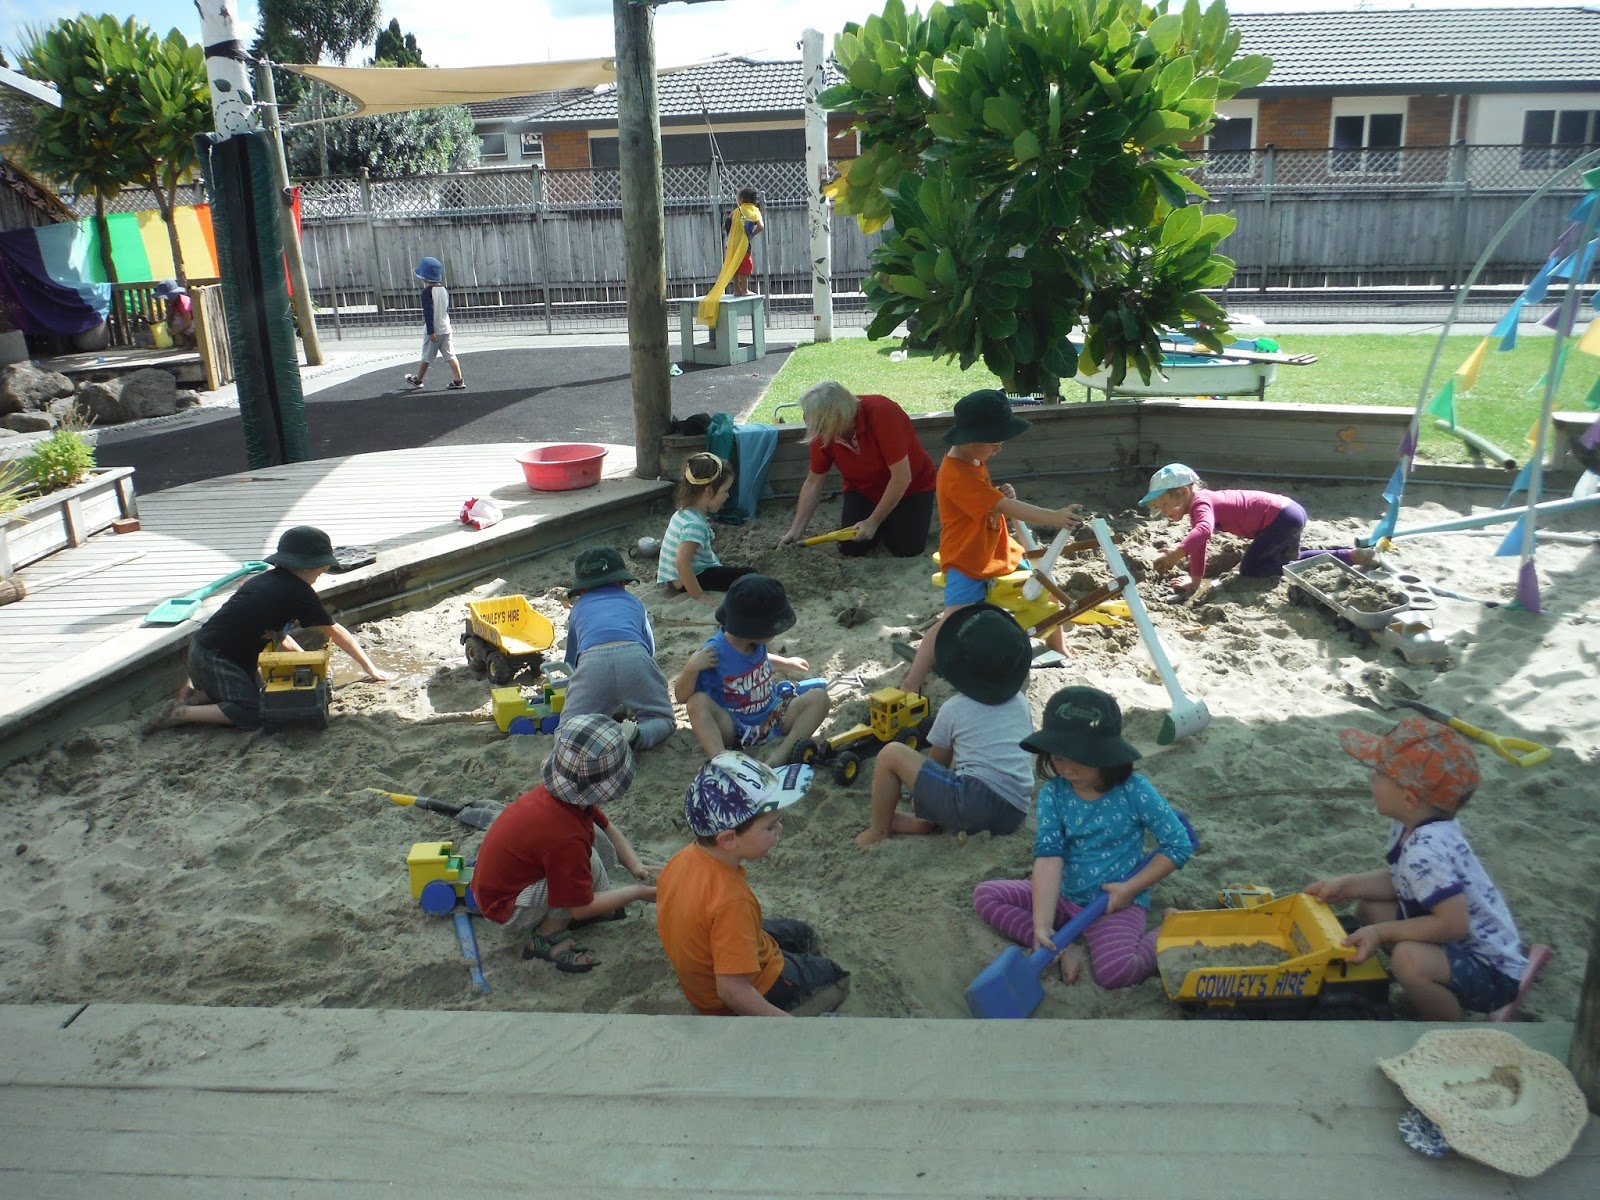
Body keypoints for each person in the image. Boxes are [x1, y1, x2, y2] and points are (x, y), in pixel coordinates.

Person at [1305, 716, 1529, 1020]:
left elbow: (1453, 925)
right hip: (1455, 943)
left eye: (1379, 774)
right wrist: (1347, 885)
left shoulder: (1425, 850)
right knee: (1369, 909)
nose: (1371, 779)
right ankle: (1425, 985)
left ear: (1408, 798)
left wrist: (1382, 933)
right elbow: (1404, 880)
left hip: (1492, 973)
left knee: (1408, 959)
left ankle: (1450, 1031)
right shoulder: (1414, 823)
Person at [973, 687, 1194, 989]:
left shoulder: (1134, 790)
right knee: (987, 896)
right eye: (1059, 758)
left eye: (1081, 759)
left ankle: (1171, 927)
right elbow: (1049, 856)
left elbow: (1178, 845)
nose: (1068, 769)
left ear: (1107, 754)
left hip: (1113, 903)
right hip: (1063, 896)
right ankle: (1063, 947)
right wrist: (1042, 924)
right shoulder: (1055, 793)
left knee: (1117, 972)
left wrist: (1129, 888)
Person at [900, 389, 1083, 698]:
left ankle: (1059, 648)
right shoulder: (958, 475)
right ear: (973, 439)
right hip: (967, 560)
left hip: (995, 551)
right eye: (995, 442)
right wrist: (1053, 517)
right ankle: (912, 680)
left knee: (1043, 589)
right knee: (951, 621)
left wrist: (998, 494)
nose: (999, 449)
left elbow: (989, 500)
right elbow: (1002, 508)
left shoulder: (971, 459)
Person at [143, 526, 393, 733]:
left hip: (207, 652)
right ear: (307, 566)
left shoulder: (268, 581)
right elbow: (335, 632)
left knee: (260, 694)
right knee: (254, 713)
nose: (324, 571)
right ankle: (182, 713)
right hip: (217, 659)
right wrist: (369, 668)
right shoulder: (299, 593)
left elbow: (278, 634)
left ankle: (196, 696)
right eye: (323, 565)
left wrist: (302, 661)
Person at [655, 751, 849, 1016]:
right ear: (728, 839)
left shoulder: (681, 860)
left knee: (802, 934)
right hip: (741, 992)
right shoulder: (732, 902)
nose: (780, 830)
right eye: (770, 826)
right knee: (836, 978)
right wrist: (787, 1026)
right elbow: (731, 991)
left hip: (707, 967)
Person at [471, 714, 657, 975]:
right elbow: (579, 909)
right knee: (570, 883)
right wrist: (639, 892)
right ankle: (545, 937)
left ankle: (596, 903)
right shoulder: (564, 837)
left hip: (522, 875)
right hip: (506, 906)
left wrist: (636, 865)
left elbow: (607, 827)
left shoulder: (565, 798)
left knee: (590, 840)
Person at [855, 603, 1036, 846]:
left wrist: (922, 800)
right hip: (1015, 811)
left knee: (890, 754)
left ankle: (879, 831)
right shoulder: (1021, 703)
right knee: (955, 783)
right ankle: (917, 821)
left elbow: (937, 762)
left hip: (974, 803)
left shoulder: (955, 708)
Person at [1142, 463, 1376, 593]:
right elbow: (1200, 543)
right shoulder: (1201, 503)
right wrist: (1194, 581)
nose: (1164, 512)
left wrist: (1178, 553)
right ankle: (1349, 555)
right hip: (1289, 512)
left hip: (1280, 518)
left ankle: (1320, 562)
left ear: (1183, 492)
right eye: (1158, 508)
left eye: (1165, 505)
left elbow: (1203, 532)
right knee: (1288, 558)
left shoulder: (1202, 502)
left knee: (1252, 567)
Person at [674, 573, 830, 766]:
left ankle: (784, 751)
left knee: (820, 698)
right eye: (772, 628)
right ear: (752, 629)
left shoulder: (754, 642)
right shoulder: (713, 651)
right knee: (696, 703)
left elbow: (760, 662)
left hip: (773, 714)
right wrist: (691, 668)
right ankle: (722, 760)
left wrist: (786, 662)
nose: (776, 632)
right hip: (735, 726)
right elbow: (681, 697)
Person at [777, 380, 937, 558]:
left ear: (837, 417)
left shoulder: (882, 412)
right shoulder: (823, 431)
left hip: (911, 488)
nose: (817, 432)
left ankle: (890, 520)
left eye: (820, 426)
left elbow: (902, 477)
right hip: (864, 490)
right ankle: (887, 520)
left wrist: (873, 521)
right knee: (851, 548)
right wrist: (796, 529)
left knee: (906, 549)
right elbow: (814, 481)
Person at [559, 546, 676, 750]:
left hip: (592, 663)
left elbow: (572, 661)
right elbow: (648, 649)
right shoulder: (634, 602)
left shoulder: (577, 609)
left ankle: (599, 744)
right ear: (622, 582)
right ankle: (638, 736)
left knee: (566, 732)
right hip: (634, 656)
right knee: (662, 718)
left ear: (582, 589)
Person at [657, 452, 756, 606]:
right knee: (749, 574)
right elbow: (682, 563)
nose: (727, 496)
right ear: (709, 491)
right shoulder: (695, 525)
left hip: (677, 578)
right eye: (725, 491)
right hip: (691, 579)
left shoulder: (683, 512)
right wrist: (699, 595)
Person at [404, 256, 466, 391]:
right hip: (446, 328)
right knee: (451, 355)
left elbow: (428, 313)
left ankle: (418, 380)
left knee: (426, 357)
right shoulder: (444, 290)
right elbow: (446, 310)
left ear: (424, 277)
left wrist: (431, 332)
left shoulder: (427, 292)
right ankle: (458, 380)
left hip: (434, 331)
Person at [722, 187, 764, 297]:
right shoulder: (754, 211)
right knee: (745, 266)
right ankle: (745, 290)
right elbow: (761, 226)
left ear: (741, 200)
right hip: (743, 245)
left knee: (734, 266)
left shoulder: (736, 211)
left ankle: (736, 289)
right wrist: (752, 234)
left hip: (731, 245)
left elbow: (725, 226)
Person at [152, 280, 195, 348]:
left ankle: (195, 344)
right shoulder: (174, 302)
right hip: (189, 320)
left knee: (187, 328)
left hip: (196, 321)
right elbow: (173, 315)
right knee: (176, 323)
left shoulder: (184, 303)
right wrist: (164, 322)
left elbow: (188, 323)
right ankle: (188, 343)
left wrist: (175, 332)